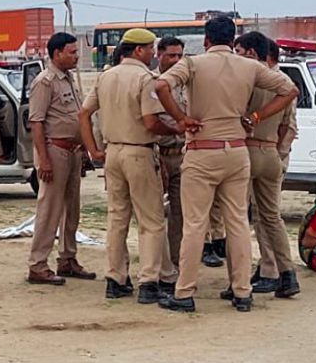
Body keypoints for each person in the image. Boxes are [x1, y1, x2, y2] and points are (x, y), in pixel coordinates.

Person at [155, 16, 299, 312]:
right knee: (238, 222)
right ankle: (242, 291)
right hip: (236, 150)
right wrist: (256, 117)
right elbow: (290, 90)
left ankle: (184, 293)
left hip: (202, 148)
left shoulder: (193, 64)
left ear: (206, 40)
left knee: (196, 224)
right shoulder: (249, 66)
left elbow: (160, 85)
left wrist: (182, 119)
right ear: (233, 41)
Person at [81, 28, 177, 302]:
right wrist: (173, 130)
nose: (152, 54)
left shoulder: (106, 77)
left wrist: (93, 149)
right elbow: (150, 121)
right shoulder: (145, 79)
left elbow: (84, 113)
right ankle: (149, 281)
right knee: (151, 221)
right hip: (139, 151)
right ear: (139, 50)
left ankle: (116, 278)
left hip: (113, 153)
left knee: (117, 219)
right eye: (150, 49)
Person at [231, 31, 300, 299]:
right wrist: (278, 152)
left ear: (250, 52)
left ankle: (237, 281)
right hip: (270, 150)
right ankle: (287, 273)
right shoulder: (282, 80)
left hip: (244, 150)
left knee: (236, 217)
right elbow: (287, 126)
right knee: (272, 217)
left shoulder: (244, 75)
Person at [26, 32, 96, 285]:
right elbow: (36, 122)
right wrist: (43, 160)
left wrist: (85, 150)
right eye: (72, 52)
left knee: (71, 210)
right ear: (57, 54)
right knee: (50, 210)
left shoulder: (67, 79)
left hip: (73, 151)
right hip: (54, 151)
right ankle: (38, 264)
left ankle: (67, 259)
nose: (76, 56)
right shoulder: (45, 82)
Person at [153, 36, 187, 295]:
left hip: (183, 155)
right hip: (158, 155)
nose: (176, 60)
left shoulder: (187, 84)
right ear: (159, 55)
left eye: (179, 56)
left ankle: (174, 265)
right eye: (171, 56)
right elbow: (148, 124)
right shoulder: (151, 84)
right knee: (153, 216)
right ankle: (156, 267)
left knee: (181, 215)